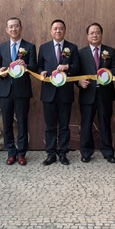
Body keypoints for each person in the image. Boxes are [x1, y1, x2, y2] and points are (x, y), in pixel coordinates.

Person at [0, 17, 37, 166]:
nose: (13, 29)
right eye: (11, 27)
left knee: (22, 123)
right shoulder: (1, 47)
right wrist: (0, 71)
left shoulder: (30, 46)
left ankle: (21, 153)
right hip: (5, 90)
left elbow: (34, 67)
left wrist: (25, 65)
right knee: (6, 123)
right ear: (7, 29)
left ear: (21, 28)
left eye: (16, 26)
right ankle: (11, 152)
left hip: (22, 91)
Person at [38, 19, 80, 166]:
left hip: (65, 93)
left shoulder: (72, 48)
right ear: (51, 31)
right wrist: (41, 72)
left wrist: (67, 66)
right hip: (48, 93)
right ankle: (50, 154)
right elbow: (39, 67)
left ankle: (63, 153)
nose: (58, 31)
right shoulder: (43, 47)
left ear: (65, 30)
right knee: (50, 126)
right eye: (55, 28)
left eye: (60, 28)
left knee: (64, 125)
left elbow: (77, 67)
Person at [77, 23, 115, 163]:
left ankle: (108, 152)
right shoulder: (80, 52)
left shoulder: (110, 51)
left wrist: (108, 74)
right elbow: (76, 74)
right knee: (86, 124)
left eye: (98, 32)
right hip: (87, 93)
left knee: (105, 123)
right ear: (87, 35)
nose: (95, 35)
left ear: (101, 34)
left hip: (105, 94)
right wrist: (79, 82)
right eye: (92, 33)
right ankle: (86, 152)